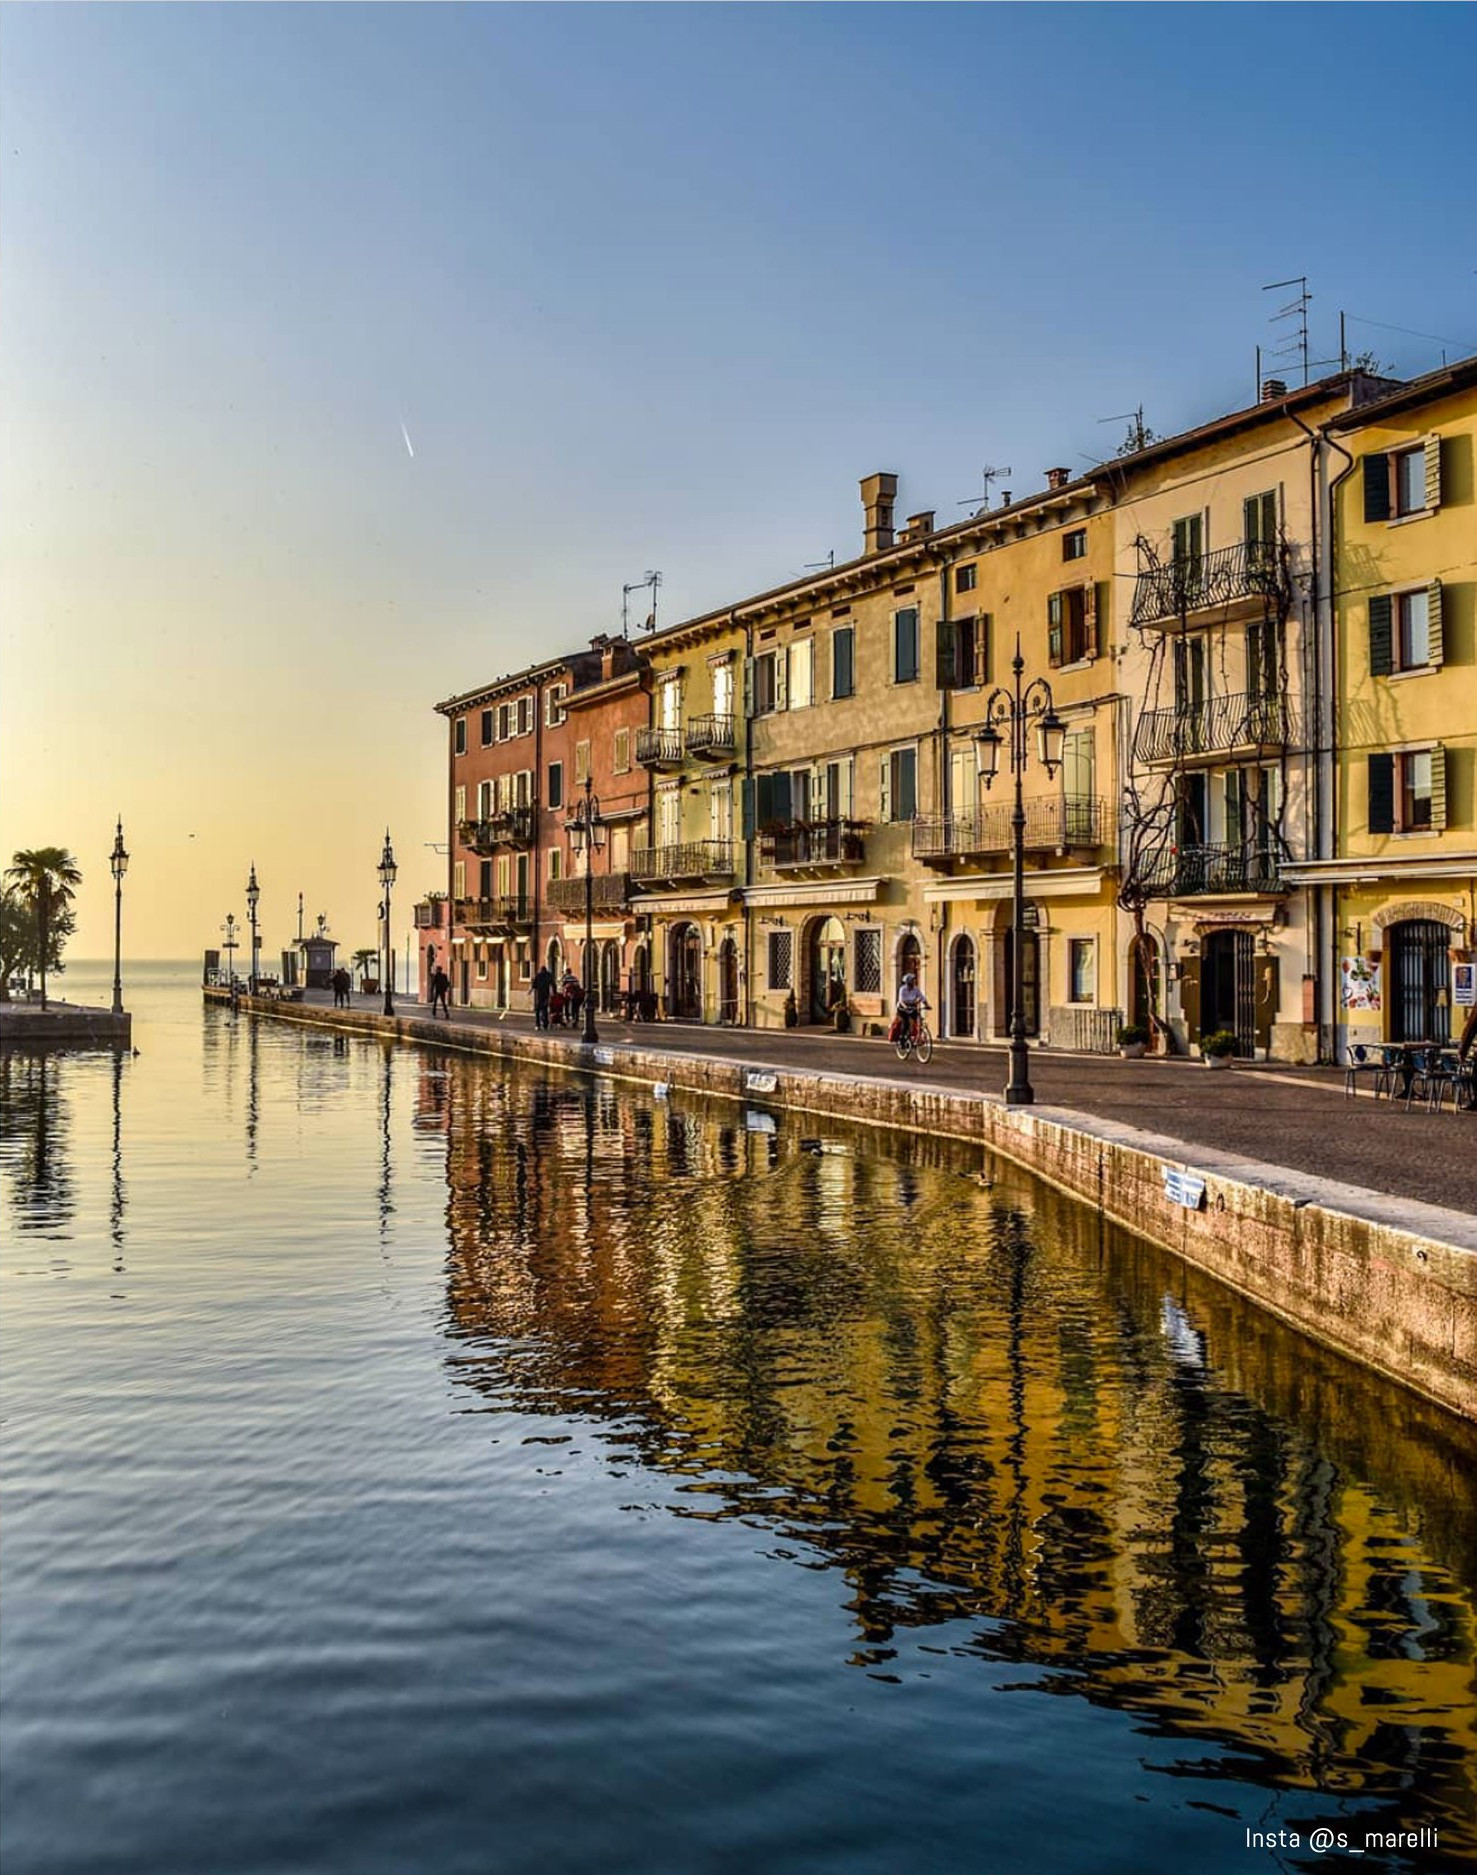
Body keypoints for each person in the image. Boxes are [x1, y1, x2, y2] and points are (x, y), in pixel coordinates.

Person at [895, 972, 929, 1045]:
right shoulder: (902, 989)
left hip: (912, 1006)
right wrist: (905, 1007)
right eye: (912, 980)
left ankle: (918, 1036)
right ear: (908, 982)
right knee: (906, 1023)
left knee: (918, 1019)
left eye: (914, 980)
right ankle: (902, 1039)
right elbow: (901, 1001)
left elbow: (922, 997)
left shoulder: (916, 989)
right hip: (902, 1008)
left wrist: (927, 1005)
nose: (914, 982)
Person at [532, 963, 554, 1031]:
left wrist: (531, 990)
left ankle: (537, 1025)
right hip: (546, 995)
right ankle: (545, 1024)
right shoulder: (549, 975)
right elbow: (552, 984)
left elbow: (534, 986)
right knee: (545, 1009)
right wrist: (553, 993)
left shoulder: (538, 975)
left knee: (538, 1010)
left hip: (539, 995)